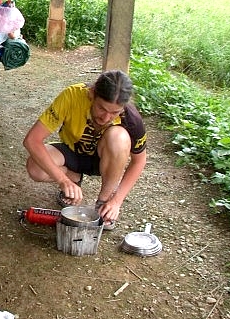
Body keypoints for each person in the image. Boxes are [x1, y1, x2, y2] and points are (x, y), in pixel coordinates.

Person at [23, 69, 147, 230]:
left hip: (105, 160)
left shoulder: (132, 118)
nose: (106, 118)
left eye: (114, 112)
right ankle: (73, 177)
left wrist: (116, 201)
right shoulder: (72, 95)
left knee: (119, 137)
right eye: (101, 108)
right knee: (35, 167)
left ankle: (104, 203)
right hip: (71, 152)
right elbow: (32, 140)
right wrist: (63, 180)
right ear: (92, 93)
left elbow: (139, 161)